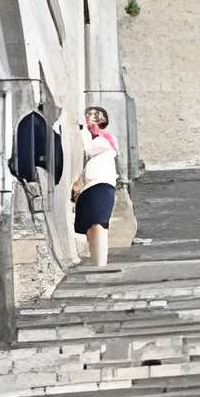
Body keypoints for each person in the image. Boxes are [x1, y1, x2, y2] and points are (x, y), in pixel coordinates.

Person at [72, 104, 120, 272]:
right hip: (91, 187)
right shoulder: (96, 139)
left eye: (92, 116)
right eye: (87, 115)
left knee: (98, 223)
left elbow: (89, 149)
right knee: (91, 225)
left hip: (101, 184)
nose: (88, 118)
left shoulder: (106, 138)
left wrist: (82, 131)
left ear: (102, 120)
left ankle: (100, 264)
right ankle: (97, 263)